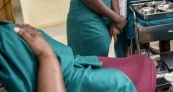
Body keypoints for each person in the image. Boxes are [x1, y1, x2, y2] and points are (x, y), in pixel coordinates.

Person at [0, 21, 156, 92]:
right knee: (120, 80)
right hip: (62, 75)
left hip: (68, 62)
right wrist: (46, 55)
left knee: (142, 63)